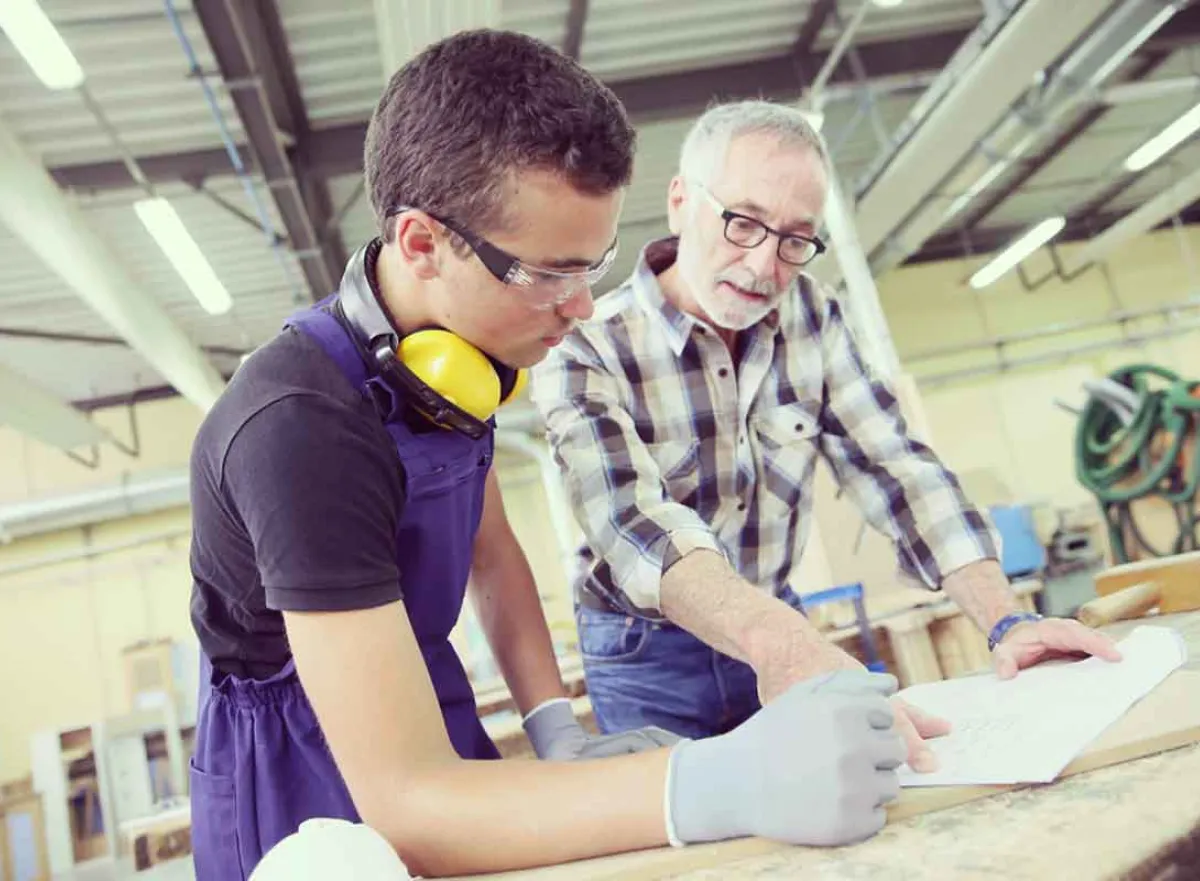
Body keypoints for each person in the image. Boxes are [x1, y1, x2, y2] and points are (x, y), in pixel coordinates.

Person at [186, 33, 910, 881]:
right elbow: (413, 805)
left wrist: (552, 726)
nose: (582, 307)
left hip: (422, 713)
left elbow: (490, 553)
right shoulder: (301, 427)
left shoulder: (449, 362)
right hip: (303, 780)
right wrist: (716, 781)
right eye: (550, 273)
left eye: (595, 264)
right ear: (421, 243)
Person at [530, 99, 1123, 771]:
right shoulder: (584, 346)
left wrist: (1006, 619)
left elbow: (896, 468)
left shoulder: (813, 313)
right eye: (743, 223)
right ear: (679, 202)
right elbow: (633, 520)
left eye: (794, 240)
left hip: (777, 615)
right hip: (645, 653)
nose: (763, 267)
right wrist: (782, 642)